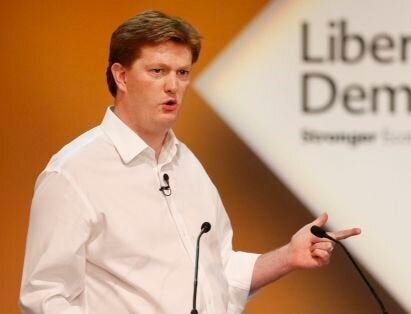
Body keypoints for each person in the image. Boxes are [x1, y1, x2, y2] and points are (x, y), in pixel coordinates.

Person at [19, 10, 361, 313]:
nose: (173, 86)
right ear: (121, 76)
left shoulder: (187, 165)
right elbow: (45, 298)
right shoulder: (72, 173)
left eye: (183, 73)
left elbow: (219, 269)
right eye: (158, 71)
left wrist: (287, 256)